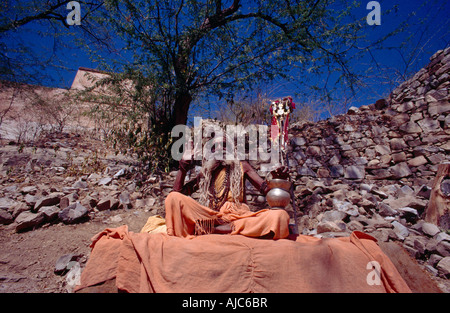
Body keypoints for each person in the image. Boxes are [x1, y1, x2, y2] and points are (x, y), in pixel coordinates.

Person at [164, 134, 291, 239]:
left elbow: (266, 190)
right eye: (215, 146)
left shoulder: (242, 166)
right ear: (211, 151)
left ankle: (217, 230)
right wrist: (183, 166)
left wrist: (278, 180)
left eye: (224, 145)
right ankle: (219, 228)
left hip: (240, 217)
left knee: (279, 215)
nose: (220, 148)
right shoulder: (206, 172)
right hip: (212, 217)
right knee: (173, 198)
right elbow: (178, 193)